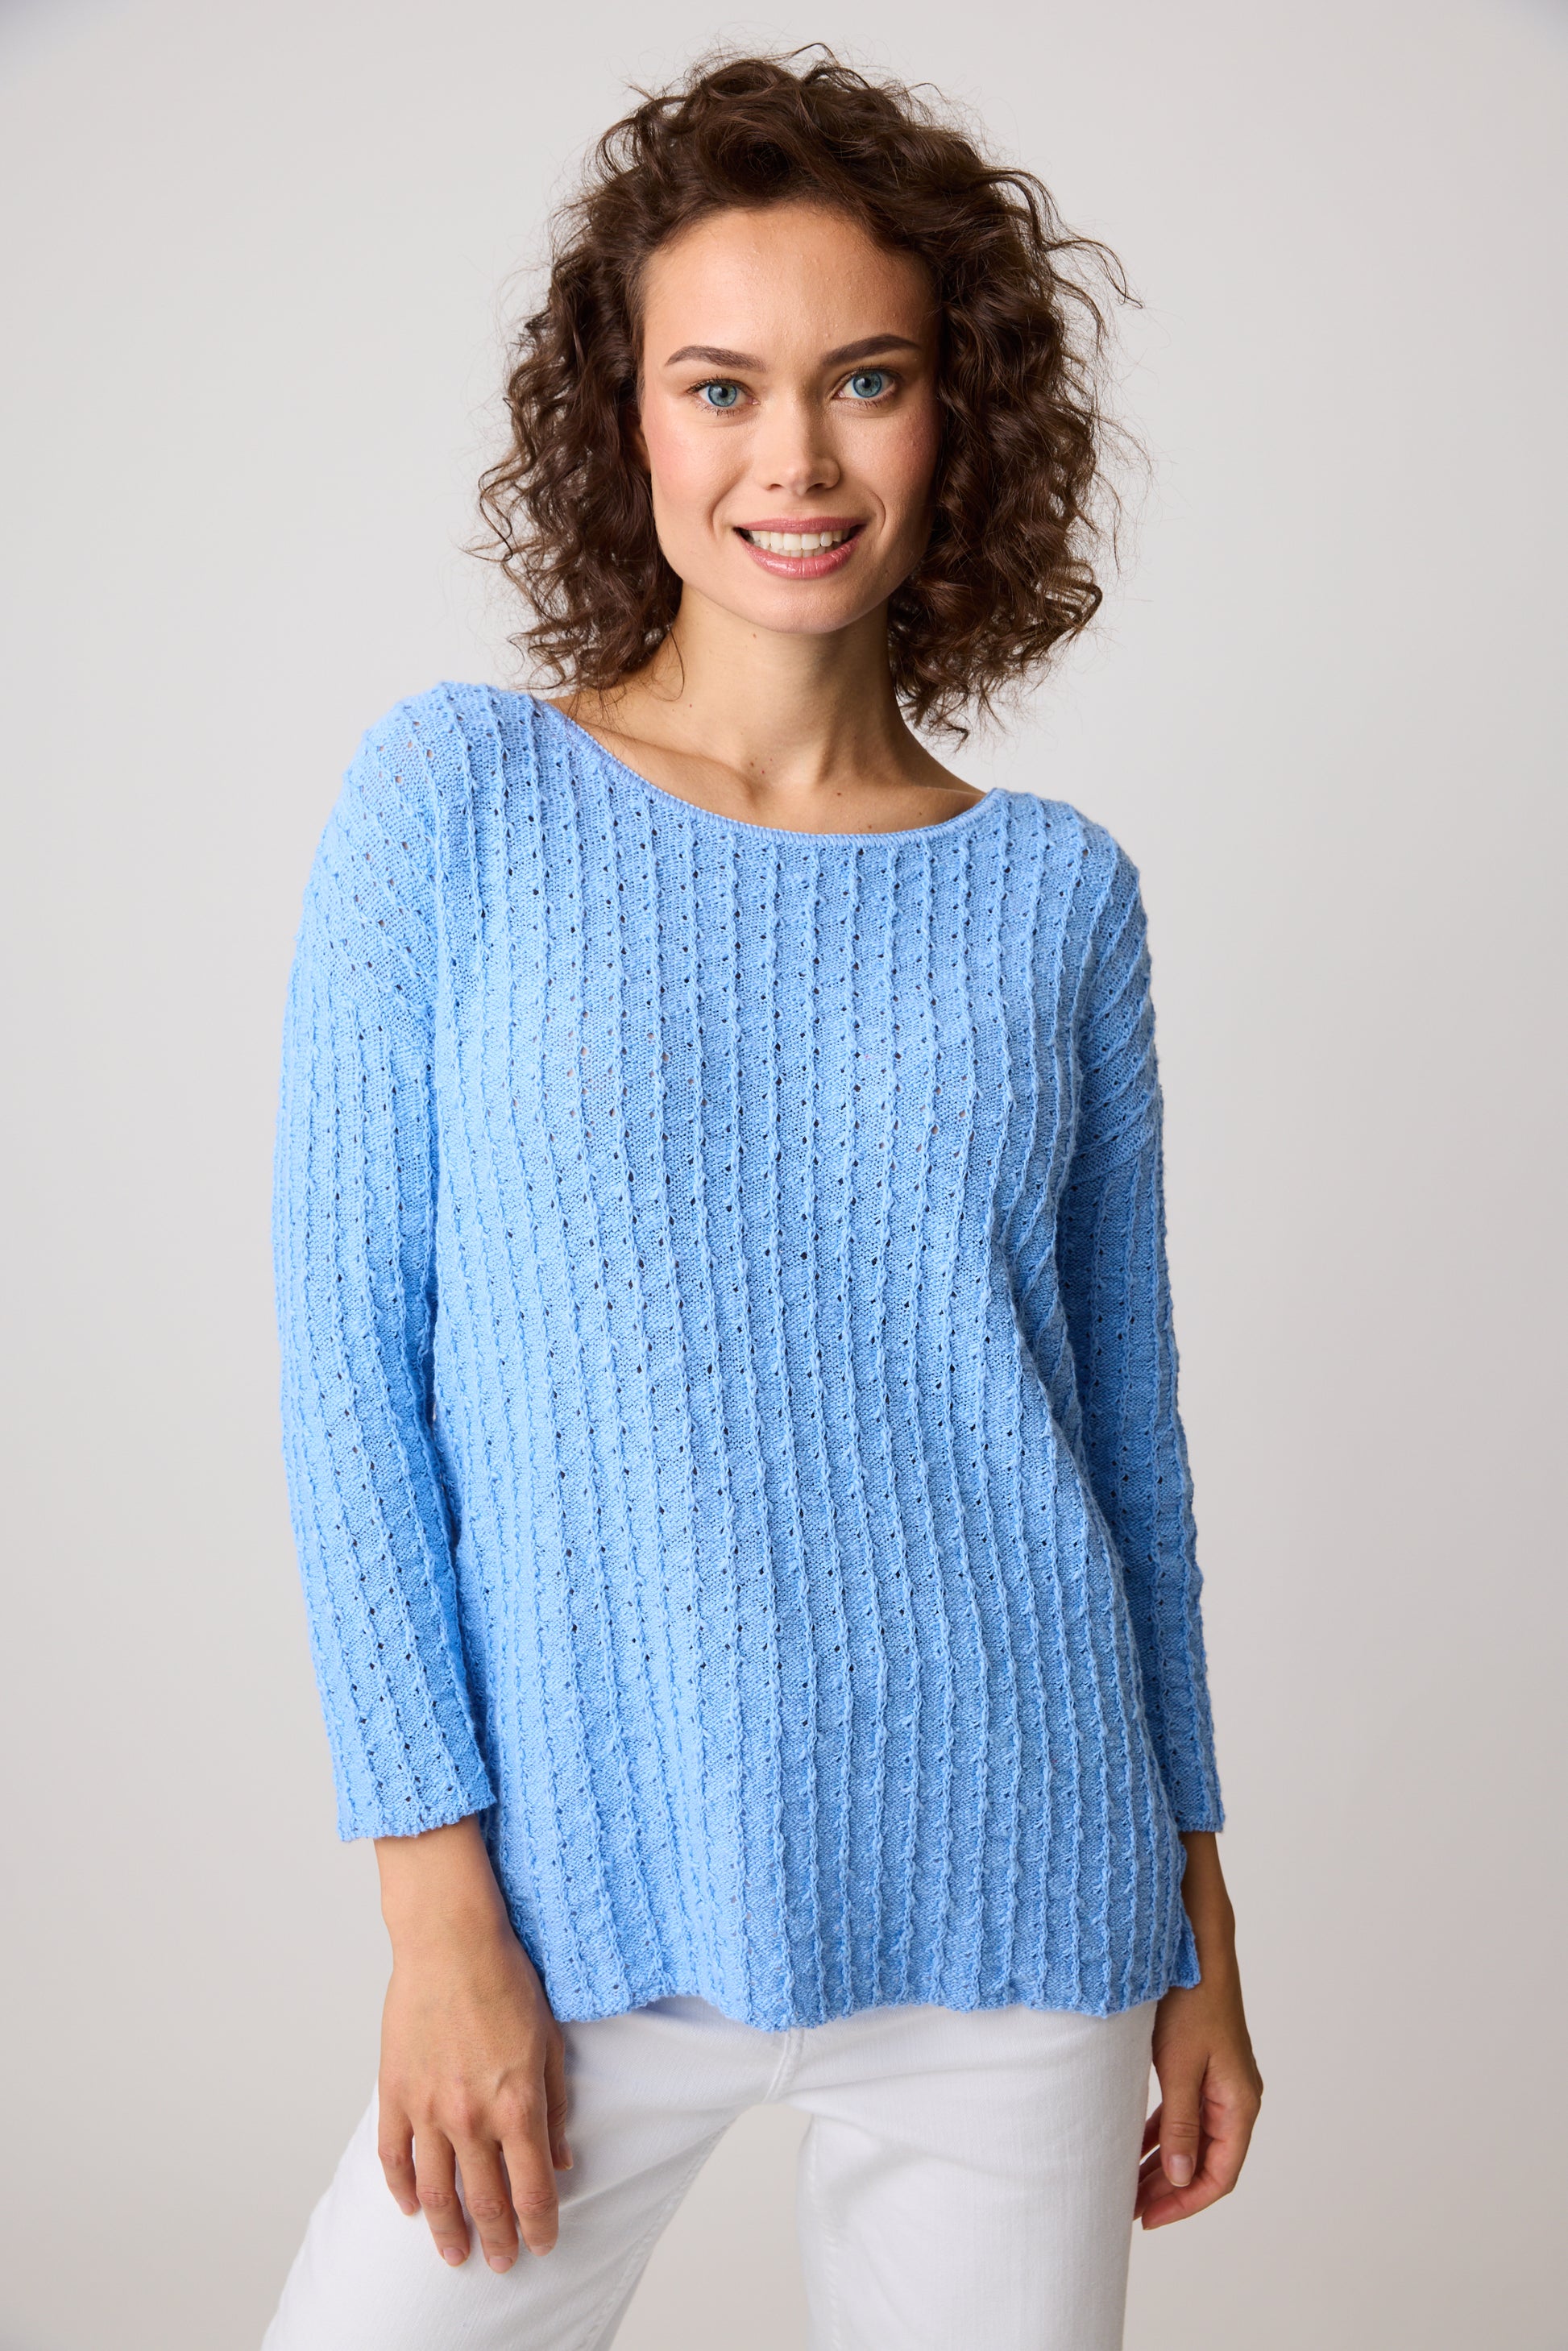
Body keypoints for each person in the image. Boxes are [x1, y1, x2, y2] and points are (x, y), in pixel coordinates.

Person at [263, 48, 1263, 2351]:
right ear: (625, 419)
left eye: (867, 381)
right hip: (577, 1901)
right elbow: (351, 1377)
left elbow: (1124, 1441)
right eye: (719, 385)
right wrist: (436, 1923)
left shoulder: (1053, 901)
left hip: (1026, 1891)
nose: (791, 458)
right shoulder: (457, 803)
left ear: (958, 421)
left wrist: (1199, 1921)